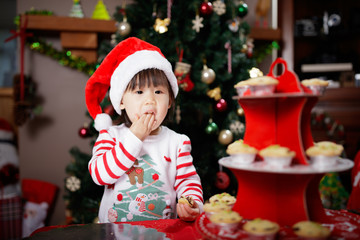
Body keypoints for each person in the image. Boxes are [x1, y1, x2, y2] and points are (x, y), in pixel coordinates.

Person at [85, 37, 203, 223]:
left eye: (158, 92)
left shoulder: (178, 142)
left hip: (162, 232)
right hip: (115, 233)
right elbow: (100, 175)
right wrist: (134, 137)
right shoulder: (111, 135)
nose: (150, 101)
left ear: (170, 101)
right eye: (139, 92)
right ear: (121, 101)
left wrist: (191, 203)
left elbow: (188, 182)